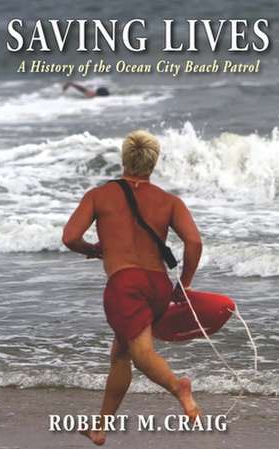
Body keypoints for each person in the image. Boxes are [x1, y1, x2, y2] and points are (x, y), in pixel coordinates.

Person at [62, 130, 203, 445]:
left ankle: (178, 387)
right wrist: (187, 283)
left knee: (140, 353)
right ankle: (100, 428)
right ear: (153, 163)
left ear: (124, 159)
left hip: (125, 285)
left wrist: (95, 250)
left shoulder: (99, 195)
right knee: (121, 354)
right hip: (158, 287)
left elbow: (70, 237)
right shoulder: (169, 201)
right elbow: (194, 241)